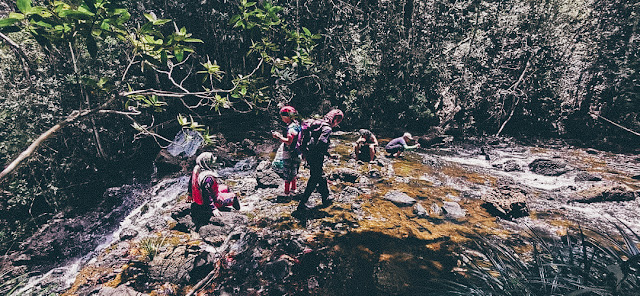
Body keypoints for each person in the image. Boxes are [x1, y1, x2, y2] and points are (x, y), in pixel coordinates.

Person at [297, 109, 344, 212]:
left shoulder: (317, 124)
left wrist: (307, 154)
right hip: (316, 156)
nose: (337, 124)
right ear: (335, 119)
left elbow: (309, 140)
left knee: (320, 175)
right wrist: (325, 154)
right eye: (338, 121)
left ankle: (325, 198)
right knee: (314, 178)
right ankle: (302, 204)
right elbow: (321, 143)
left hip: (309, 153)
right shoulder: (327, 128)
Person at [188, 152, 240, 217]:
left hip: (198, 197)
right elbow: (206, 194)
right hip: (209, 201)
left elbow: (191, 182)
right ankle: (237, 210)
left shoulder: (197, 169)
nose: (214, 160)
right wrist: (213, 209)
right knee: (234, 197)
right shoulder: (208, 178)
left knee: (225, 188)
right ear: (206, 162)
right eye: (211, 159)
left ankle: (224, 196)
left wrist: (190, 195)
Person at [271, 106, 302, 196]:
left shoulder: (291, 127)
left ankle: (286, 192)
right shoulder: (297, 124)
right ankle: (294, 188)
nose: (282, 119)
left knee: (287, 171)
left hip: (289, 152)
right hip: (297, 151)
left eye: (282, 117)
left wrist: (278, 136)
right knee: (294, 170)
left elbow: (289, 141)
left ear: (286, 116)